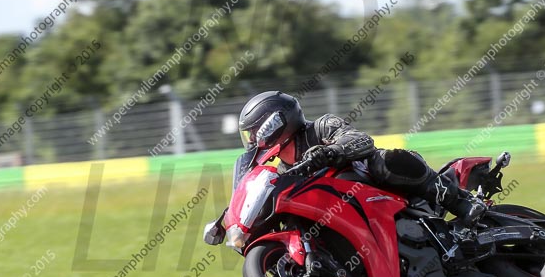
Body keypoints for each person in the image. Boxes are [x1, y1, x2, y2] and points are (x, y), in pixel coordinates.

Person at [203, 90, 484, 246]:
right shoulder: (279, 167)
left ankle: (461, 203)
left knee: (384, 160)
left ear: (275, 123)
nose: (253, 140)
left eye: (255, 132)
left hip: (378, 186)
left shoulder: (321, 127)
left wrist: (329, 152)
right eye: (248, 135)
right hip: (346, 211)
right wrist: (229, 218)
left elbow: (360, 140)